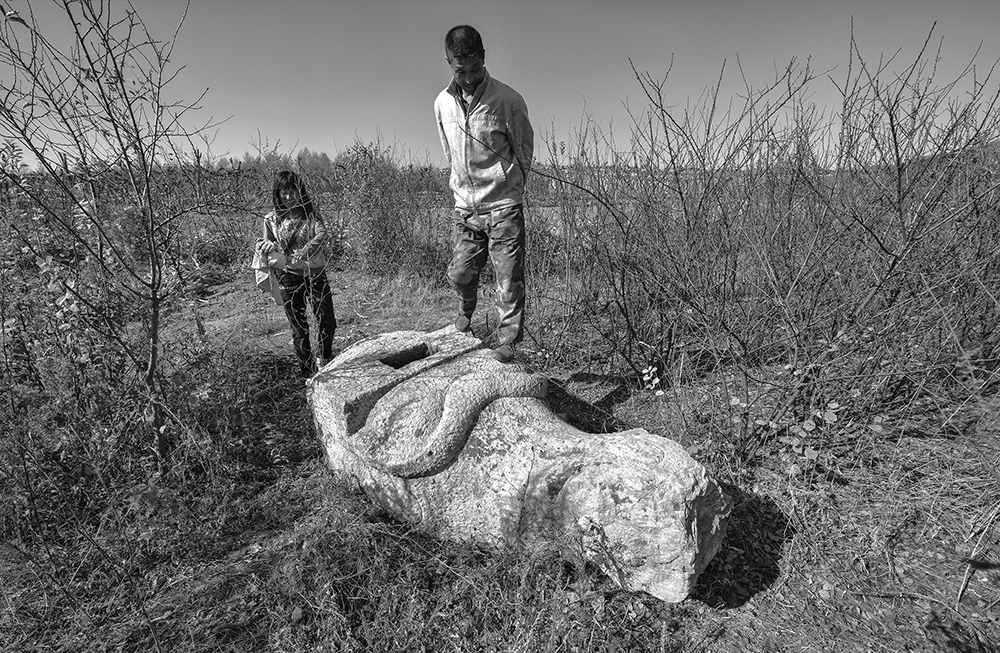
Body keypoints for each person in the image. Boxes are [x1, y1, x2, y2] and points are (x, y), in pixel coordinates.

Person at [434, 24, 534, 363]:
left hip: (503, 205)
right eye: (460, 70)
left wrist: (511, 189)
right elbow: (450, 151)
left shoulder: (507, 100)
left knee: (508, 278)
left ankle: (507, 341)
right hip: (465, 207)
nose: (468, 77)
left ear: (484, 59)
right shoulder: (441, 104)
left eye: (474, 69)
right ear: (448, 62)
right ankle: (465, 318)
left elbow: (524, 151)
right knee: (459, 273)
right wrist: (462, 188)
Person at [255, 170, 337, 378]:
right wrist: (267, 245)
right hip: (289, 276)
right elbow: (268, 244)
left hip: (315, 273)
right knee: (299, 328)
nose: (289, 197)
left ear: (300, 192)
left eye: (293, 191)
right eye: (284, 192)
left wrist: (306, 249)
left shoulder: (310, 215)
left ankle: (324, 360)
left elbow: (322, 233)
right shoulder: (271, 219)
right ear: (278, 193)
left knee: (327, 320)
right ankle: (308, 374)